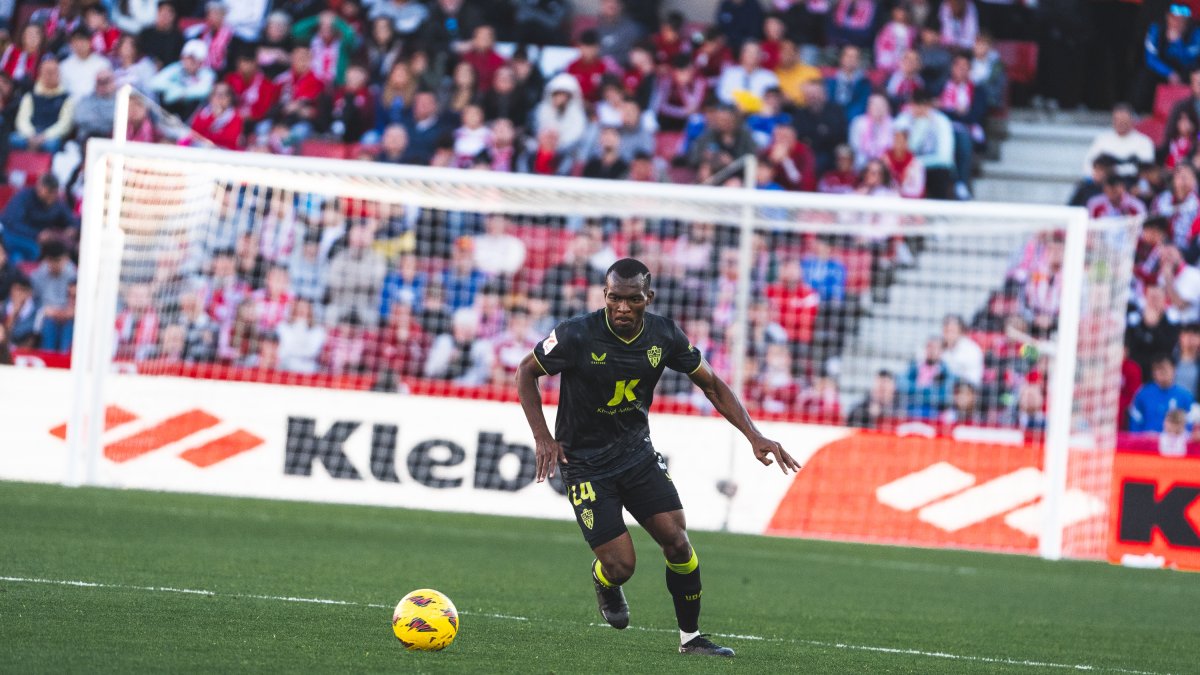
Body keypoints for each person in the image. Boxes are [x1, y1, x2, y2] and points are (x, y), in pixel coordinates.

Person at [515, 257, 799, 657]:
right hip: (585, 464)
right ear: (604, 295)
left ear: (648, 297)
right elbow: (525, 372)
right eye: (614, 298)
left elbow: (713, 385)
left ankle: (691, 639)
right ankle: (605, 580)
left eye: (632, 299)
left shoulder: (664, 335)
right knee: (622, 566)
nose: (623, 308)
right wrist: (543, 437)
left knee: (678, 542)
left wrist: (754, 435)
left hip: (637, 454)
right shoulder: (576, 334)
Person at [0, 175, 78, 264]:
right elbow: (12, 222)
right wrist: (37, 234)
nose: (50, 195)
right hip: (12, 233)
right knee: (33, 250)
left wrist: (72, 227)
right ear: (39, 187)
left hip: (39, 239)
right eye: (47, 191)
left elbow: (70, 219)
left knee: (65, 247)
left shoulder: (57, 203)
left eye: (53, 192)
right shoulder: (24, 197)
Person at [10, 59, 75, 154]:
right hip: (29, 135)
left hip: (50, 137)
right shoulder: (30, 96)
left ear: (59, 74)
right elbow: (22, 120)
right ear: (40, 74)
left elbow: (65, 124)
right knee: (13, 139)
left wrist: (44, 136)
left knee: (52, 145)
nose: (49, 75)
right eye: (46, 72)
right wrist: (31, 135)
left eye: (53, 72)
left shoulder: (66, 98)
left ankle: (45, 169)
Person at [1081, 104, 1155, 181]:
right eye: (1117, 120)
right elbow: (1088, 164)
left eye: (1124, 121)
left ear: (1132, 121)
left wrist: (1114, 171)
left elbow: (1146, 168)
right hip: (1104, 184)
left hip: (1131, 184)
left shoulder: (1144, 142)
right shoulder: (1102, 140)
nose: (1120, 123)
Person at [1129, 356, 1197, 432]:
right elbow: (1135, 422)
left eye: (1164, 369)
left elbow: (1192, 423)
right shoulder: (1143, 394)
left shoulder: (1185, 396)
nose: (1161, 373)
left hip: (1175, 441)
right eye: (1157, 369)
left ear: (1174, 369)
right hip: (1148, 441)